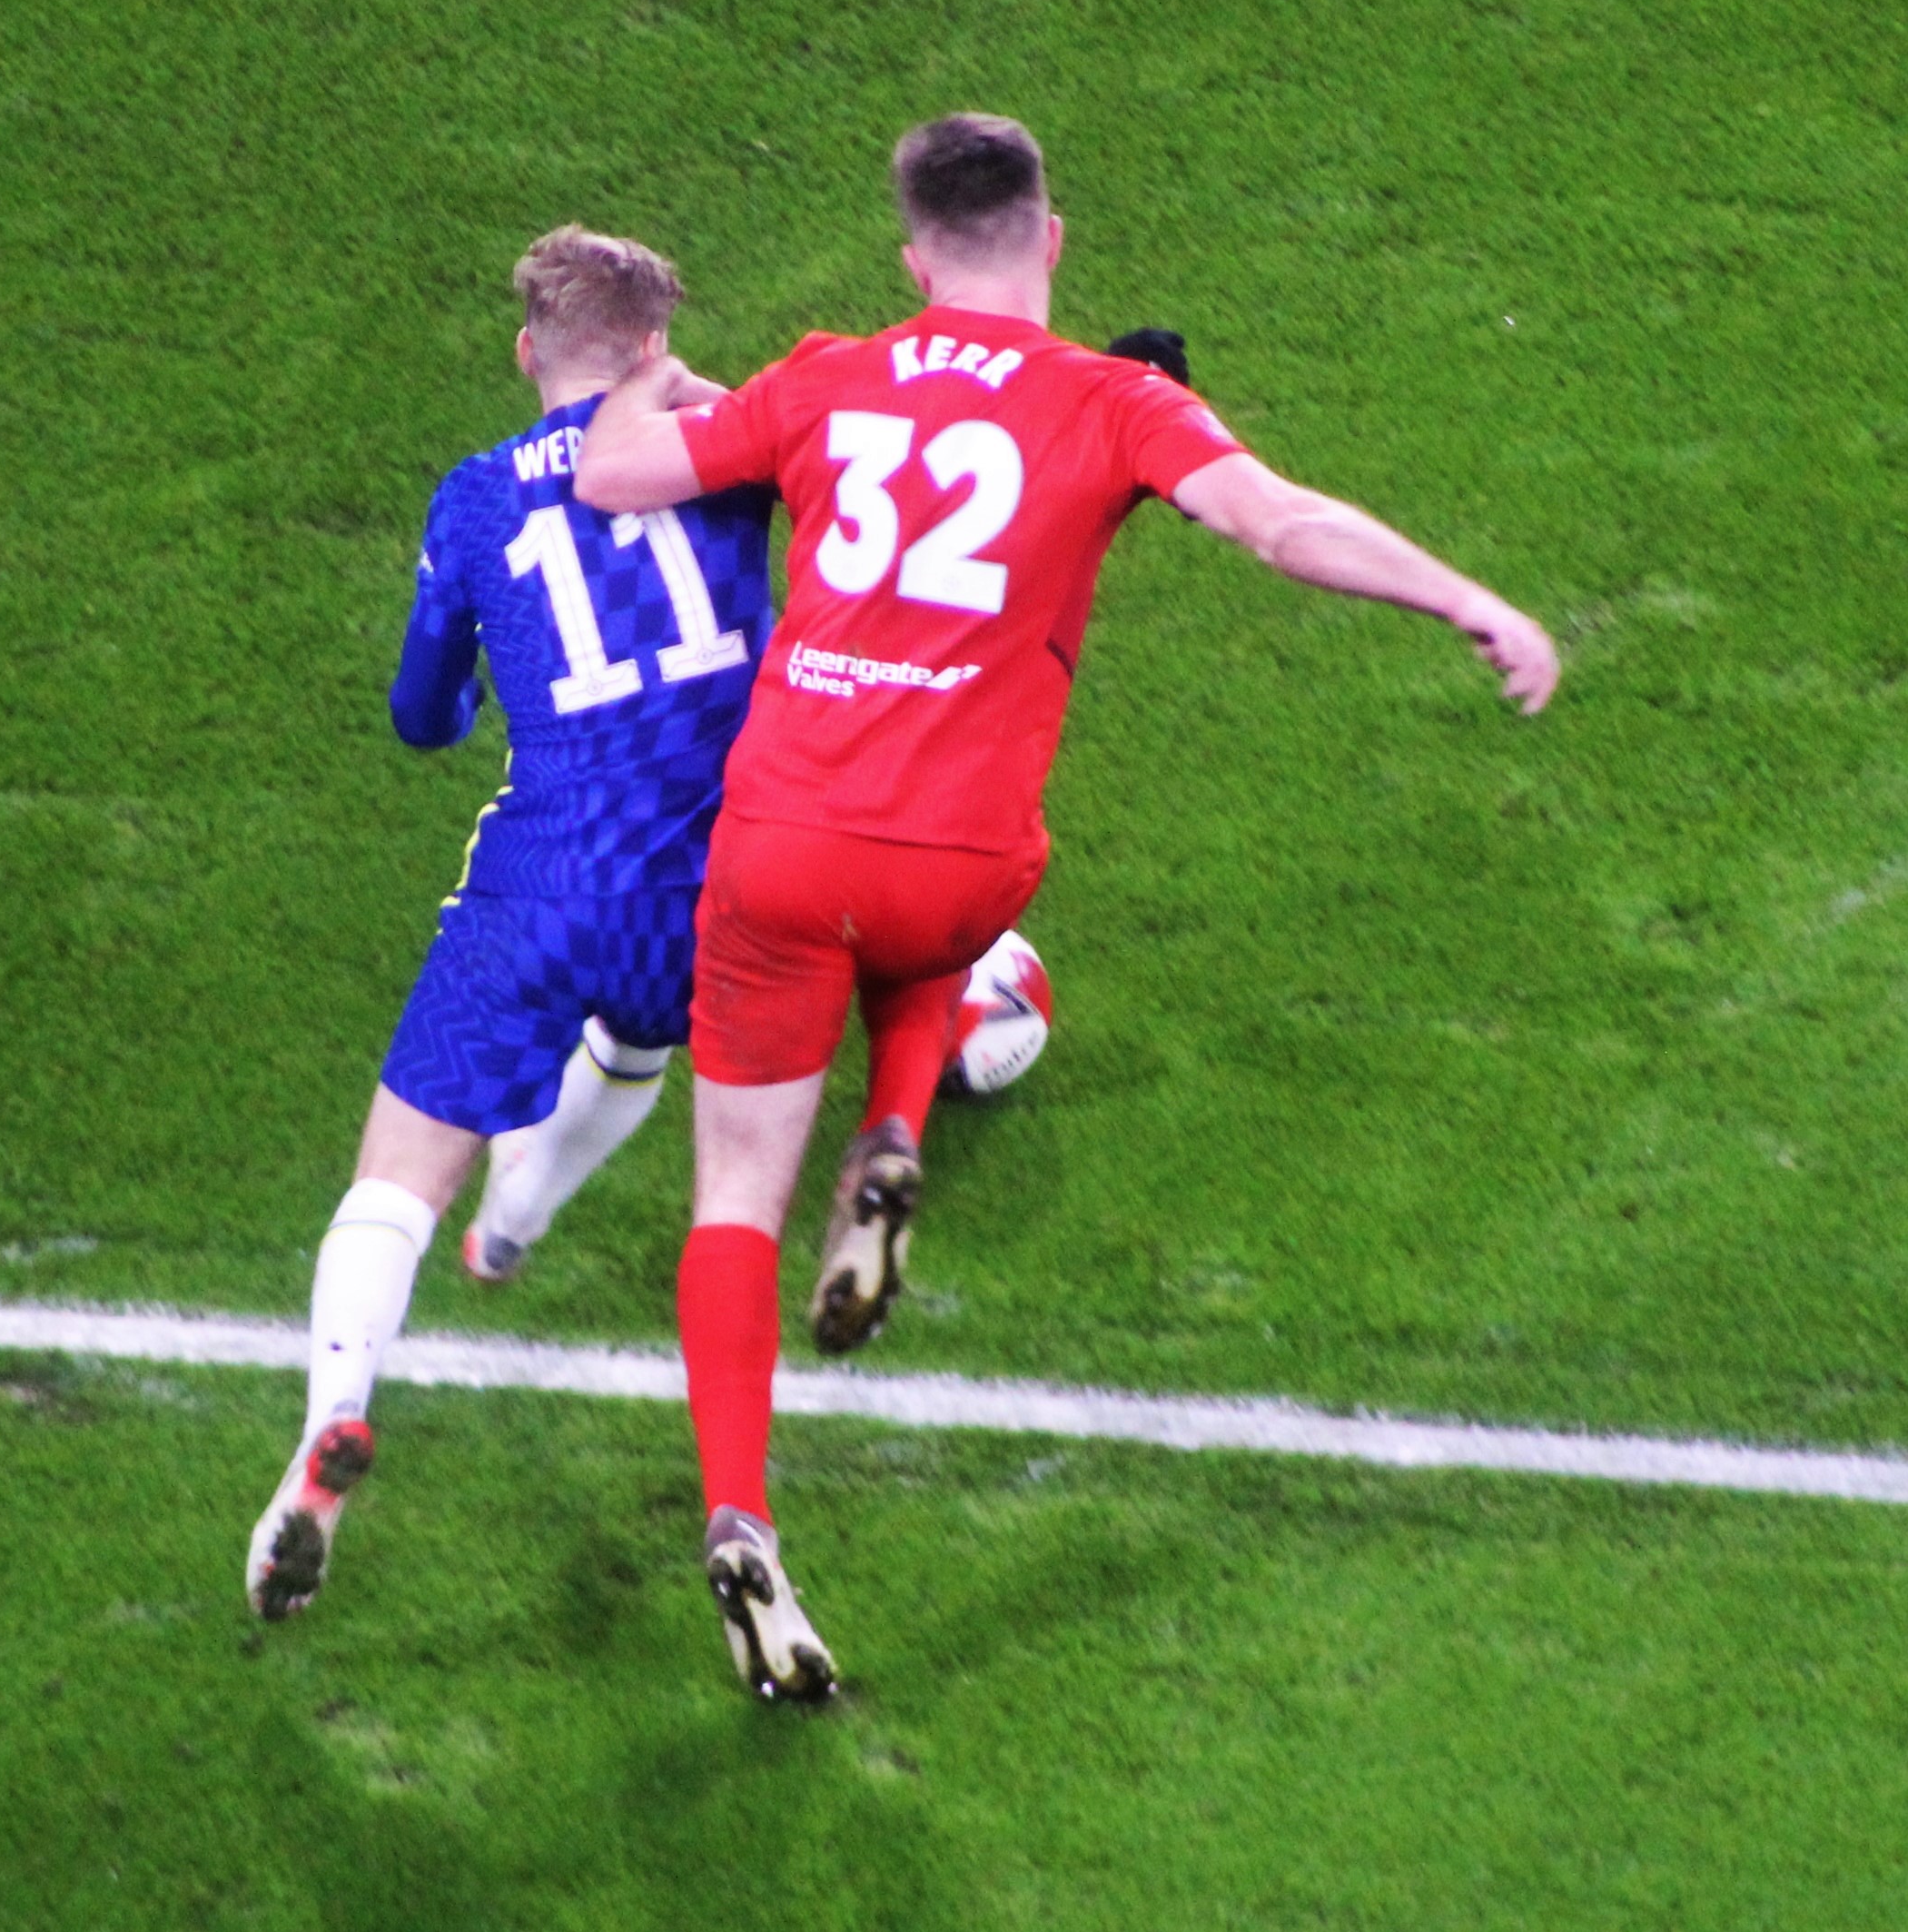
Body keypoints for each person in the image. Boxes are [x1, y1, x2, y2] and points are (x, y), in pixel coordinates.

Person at [573, 114, 1560, 1700]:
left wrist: (654, 372)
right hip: (957, 865)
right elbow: (1277, 522)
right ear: (1051, 238)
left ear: (913, 260)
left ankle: (743, 1517)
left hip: (779, 848)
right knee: (936, 933)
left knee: (735, 1202)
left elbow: (614, 475)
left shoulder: (825, 376)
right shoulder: (1114, 400)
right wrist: (1465, 597)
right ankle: (895, 1131)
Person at [243, 226, 769, 1622]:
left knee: (394, 1179)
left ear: (527, 353)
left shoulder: (476, 500)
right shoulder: (730, 452)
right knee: (643, 1038)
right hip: (711, 883)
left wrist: (482, 685)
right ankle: (518, 1225)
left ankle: (330, 1423)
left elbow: (423, 718)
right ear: (656, 349)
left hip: (541, 879)